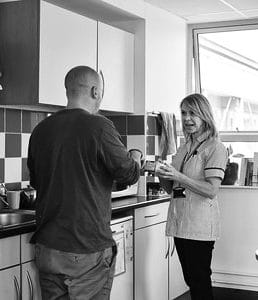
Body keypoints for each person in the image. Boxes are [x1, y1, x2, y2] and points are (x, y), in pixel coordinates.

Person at [27, 66, 142, 300]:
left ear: (68, 90)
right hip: (86, 248)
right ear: (95, 91)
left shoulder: (40, 130)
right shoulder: (99, 126)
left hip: (48, 249)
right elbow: (128, 173)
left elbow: (38, 182)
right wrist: (137, 156)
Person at [156, 93, 228, 300]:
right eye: (184, 113)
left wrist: (179, 175)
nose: (187, 118)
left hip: (199, 225)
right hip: (181, 223)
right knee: (191, 279)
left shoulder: (215, 148)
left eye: (193, 113)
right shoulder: (184, 147)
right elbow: (172, 189)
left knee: (199, 280)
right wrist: (162, 174)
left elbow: (211, 189)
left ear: (204, 115)